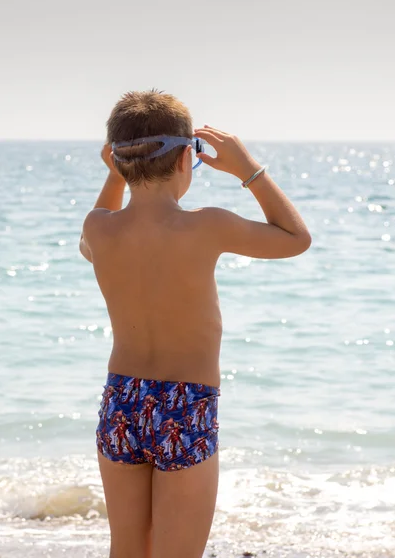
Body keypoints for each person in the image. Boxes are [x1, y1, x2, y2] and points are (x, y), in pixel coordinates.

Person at [79, 90, 312, 558]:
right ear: (188, 157)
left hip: (121, 401)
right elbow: (295, 239)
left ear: (119, 163)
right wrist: (249, 170)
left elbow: (91, 240)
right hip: (185, 404)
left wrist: (115, 177)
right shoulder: (206, 225)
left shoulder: (99, 228)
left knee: (127, 546)